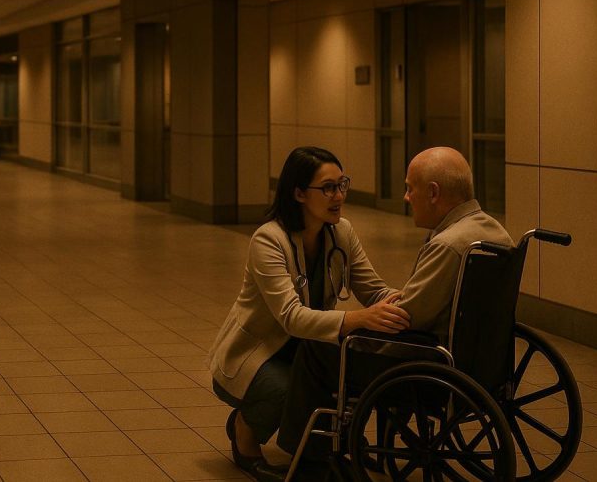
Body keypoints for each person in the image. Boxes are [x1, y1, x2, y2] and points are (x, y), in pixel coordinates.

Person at [263, 146, 514, 481]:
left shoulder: (448, 244)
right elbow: (392, 297)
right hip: (478, 362)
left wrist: (366, 318)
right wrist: (392, 301)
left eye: (411, 188)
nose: (406, 197)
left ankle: (305, 456)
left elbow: (407, 318)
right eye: (329, 187)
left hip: (429, 362)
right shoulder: (495, 232)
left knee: (317, 349)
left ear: (434, 193)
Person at [209, 147, 411, 477]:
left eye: (341, 185)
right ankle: (244, 432)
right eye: (328, 188)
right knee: (286, 390)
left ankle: (321, 447)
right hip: (257, 354)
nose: (339, 196)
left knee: (341, 370)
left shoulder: (341, 232)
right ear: (299, 193)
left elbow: (373, 290)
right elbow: (291, 316)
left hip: (306, 348)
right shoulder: (269, 240)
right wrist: (357, 318)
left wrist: (409, 300)